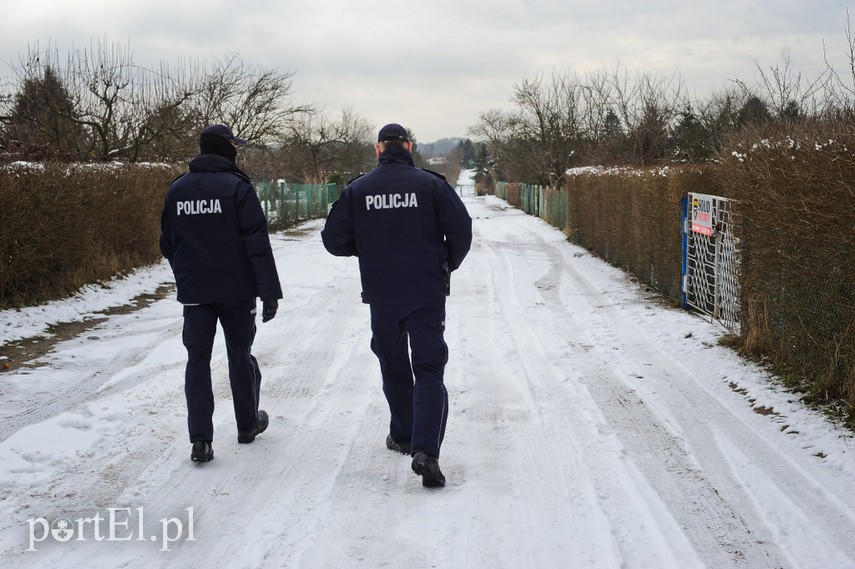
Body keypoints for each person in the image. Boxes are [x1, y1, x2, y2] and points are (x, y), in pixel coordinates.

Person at [321, 123, 472, 487]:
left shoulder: (359, 189)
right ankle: (425, 451)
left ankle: (403, 435)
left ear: (378, 149)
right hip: (425, 292)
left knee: (394, 364)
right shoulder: (432, 185)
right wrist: (445, 262)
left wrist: (370, 248)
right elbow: (462, 229)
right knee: (429, 369)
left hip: (382, 294)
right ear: (408, 146)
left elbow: (333, 239)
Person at [159, 124, 282, 463]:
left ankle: (200, 441)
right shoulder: (237, 188)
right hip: (236, 291)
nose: (237, 151)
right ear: (225, 148)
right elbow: (257, 244)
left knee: (196, 362)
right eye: (234, 145)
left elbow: (168, 243)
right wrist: (268, 292)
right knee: (240, 353)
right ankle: (246, 425)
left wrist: (188, 273)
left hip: (196, 292)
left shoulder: (177, 190)